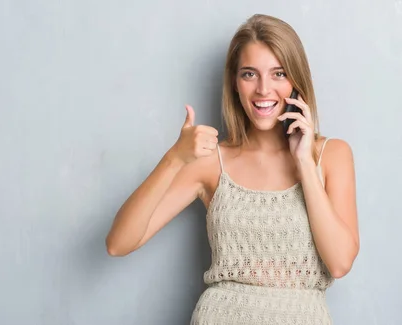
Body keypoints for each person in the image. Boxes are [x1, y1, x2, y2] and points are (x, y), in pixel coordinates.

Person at [105, 13, 359, 325]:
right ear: (235, 83)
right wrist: (174, 158)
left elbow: (339, 263)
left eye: (278, 74)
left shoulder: (331, 155)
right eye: (250, 74)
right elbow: (119, 243)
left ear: (296, 80)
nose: (264, 89)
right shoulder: (212, 162)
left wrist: (304, 162)